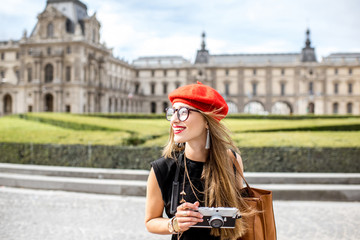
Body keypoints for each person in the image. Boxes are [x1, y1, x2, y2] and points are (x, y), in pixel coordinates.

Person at [145, 82, 252, 240]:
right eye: (172, 112)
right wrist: (175, 224)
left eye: (182, 112)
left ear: (207, 121)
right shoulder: (162, 168)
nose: (173, 120)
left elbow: (240, 214)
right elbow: (150, 221)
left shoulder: (232, 160)